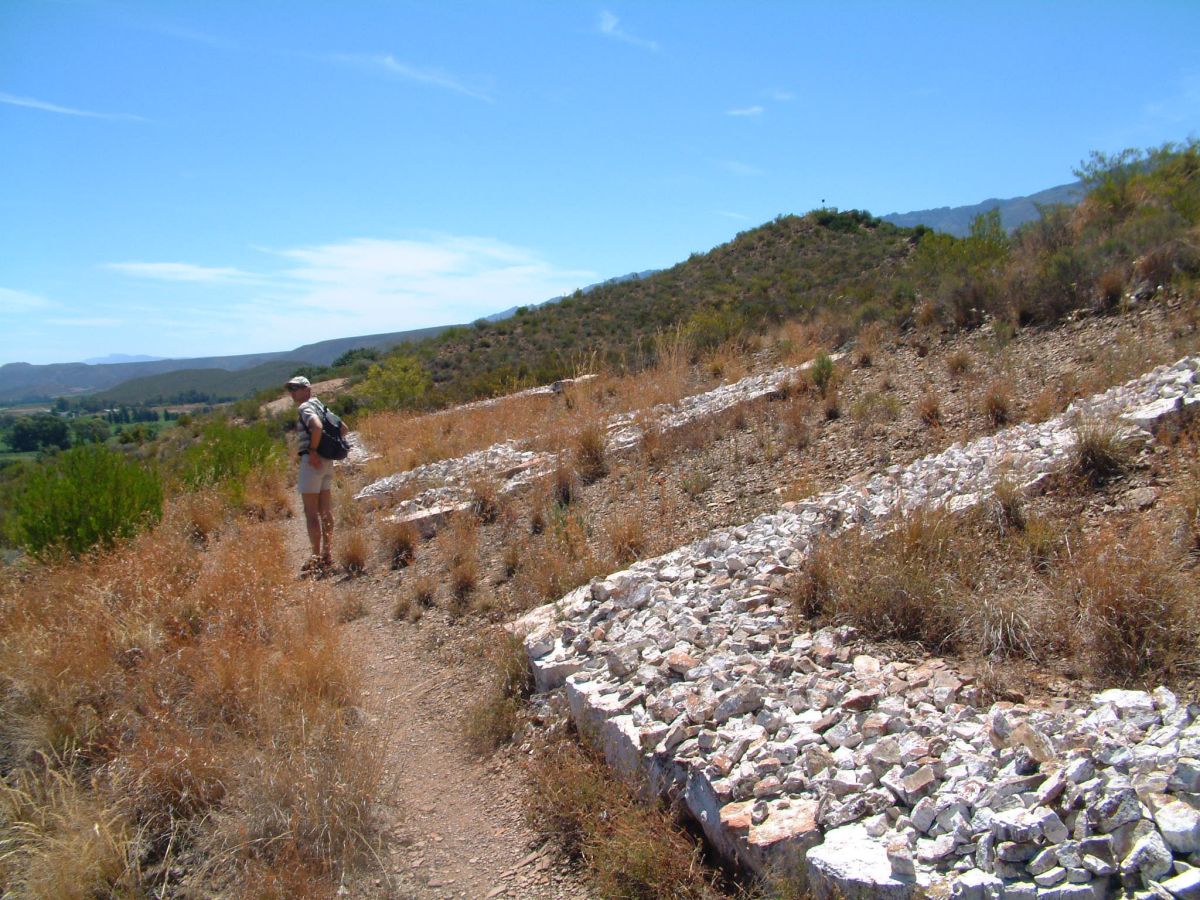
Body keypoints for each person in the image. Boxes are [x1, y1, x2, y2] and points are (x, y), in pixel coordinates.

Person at [285, 376, 334, 573]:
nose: (292, 393)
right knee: (326, 511)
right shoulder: (322, 406)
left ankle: (316, 558)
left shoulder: (305, 408)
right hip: (327, 462)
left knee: (311, 512)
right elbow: (344, 428)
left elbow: (317, 427)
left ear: (307, 389)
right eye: (291, 389)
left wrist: (313, 451)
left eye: (295, 388)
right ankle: (327, 553)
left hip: (312, 463)